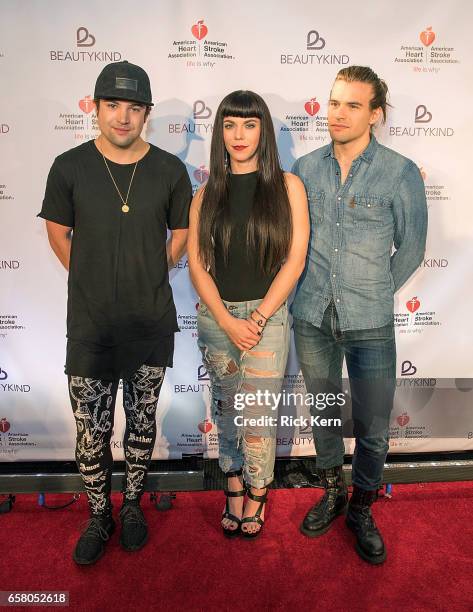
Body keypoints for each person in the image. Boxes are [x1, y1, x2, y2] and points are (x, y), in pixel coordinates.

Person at [38, 61, 192, 564]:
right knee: (92, 428)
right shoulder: (68, 166)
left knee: (142, 422)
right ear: (96, 108)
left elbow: (182, 236)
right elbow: (59, 233)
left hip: (149, 322)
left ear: (145, 112)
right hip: (90, 325)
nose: (123, 117)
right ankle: (99, 512)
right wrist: (89, 276)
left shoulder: (169, 170)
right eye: (112, 106)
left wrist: (152, 271)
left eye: (134, 107)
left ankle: (131, 506)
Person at [292, 66, 427, 564]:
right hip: (310, 316)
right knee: (325, 415)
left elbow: (412, 248)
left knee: (371, 425)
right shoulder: (304, 169)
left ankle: (362, 508)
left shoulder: (400, 171)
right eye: (333, 103)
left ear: (376, 114)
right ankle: (332, 492)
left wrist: (372, 292)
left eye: (352, 105)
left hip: (371, 323)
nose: (338, 114)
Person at [188, 90, 309, 538]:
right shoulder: (206, 193)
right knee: (226, 411)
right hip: (218, 320)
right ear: (220, 131)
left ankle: (258, 492)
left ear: (264, 130)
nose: (239, 135)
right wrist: (226, 320)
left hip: (268, 320)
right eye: (230, 125)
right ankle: (233, 484)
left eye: (249, 124)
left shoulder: (288, 187)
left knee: (258, 417)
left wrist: (256, 320)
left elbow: (294, 261)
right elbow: (198, 265)